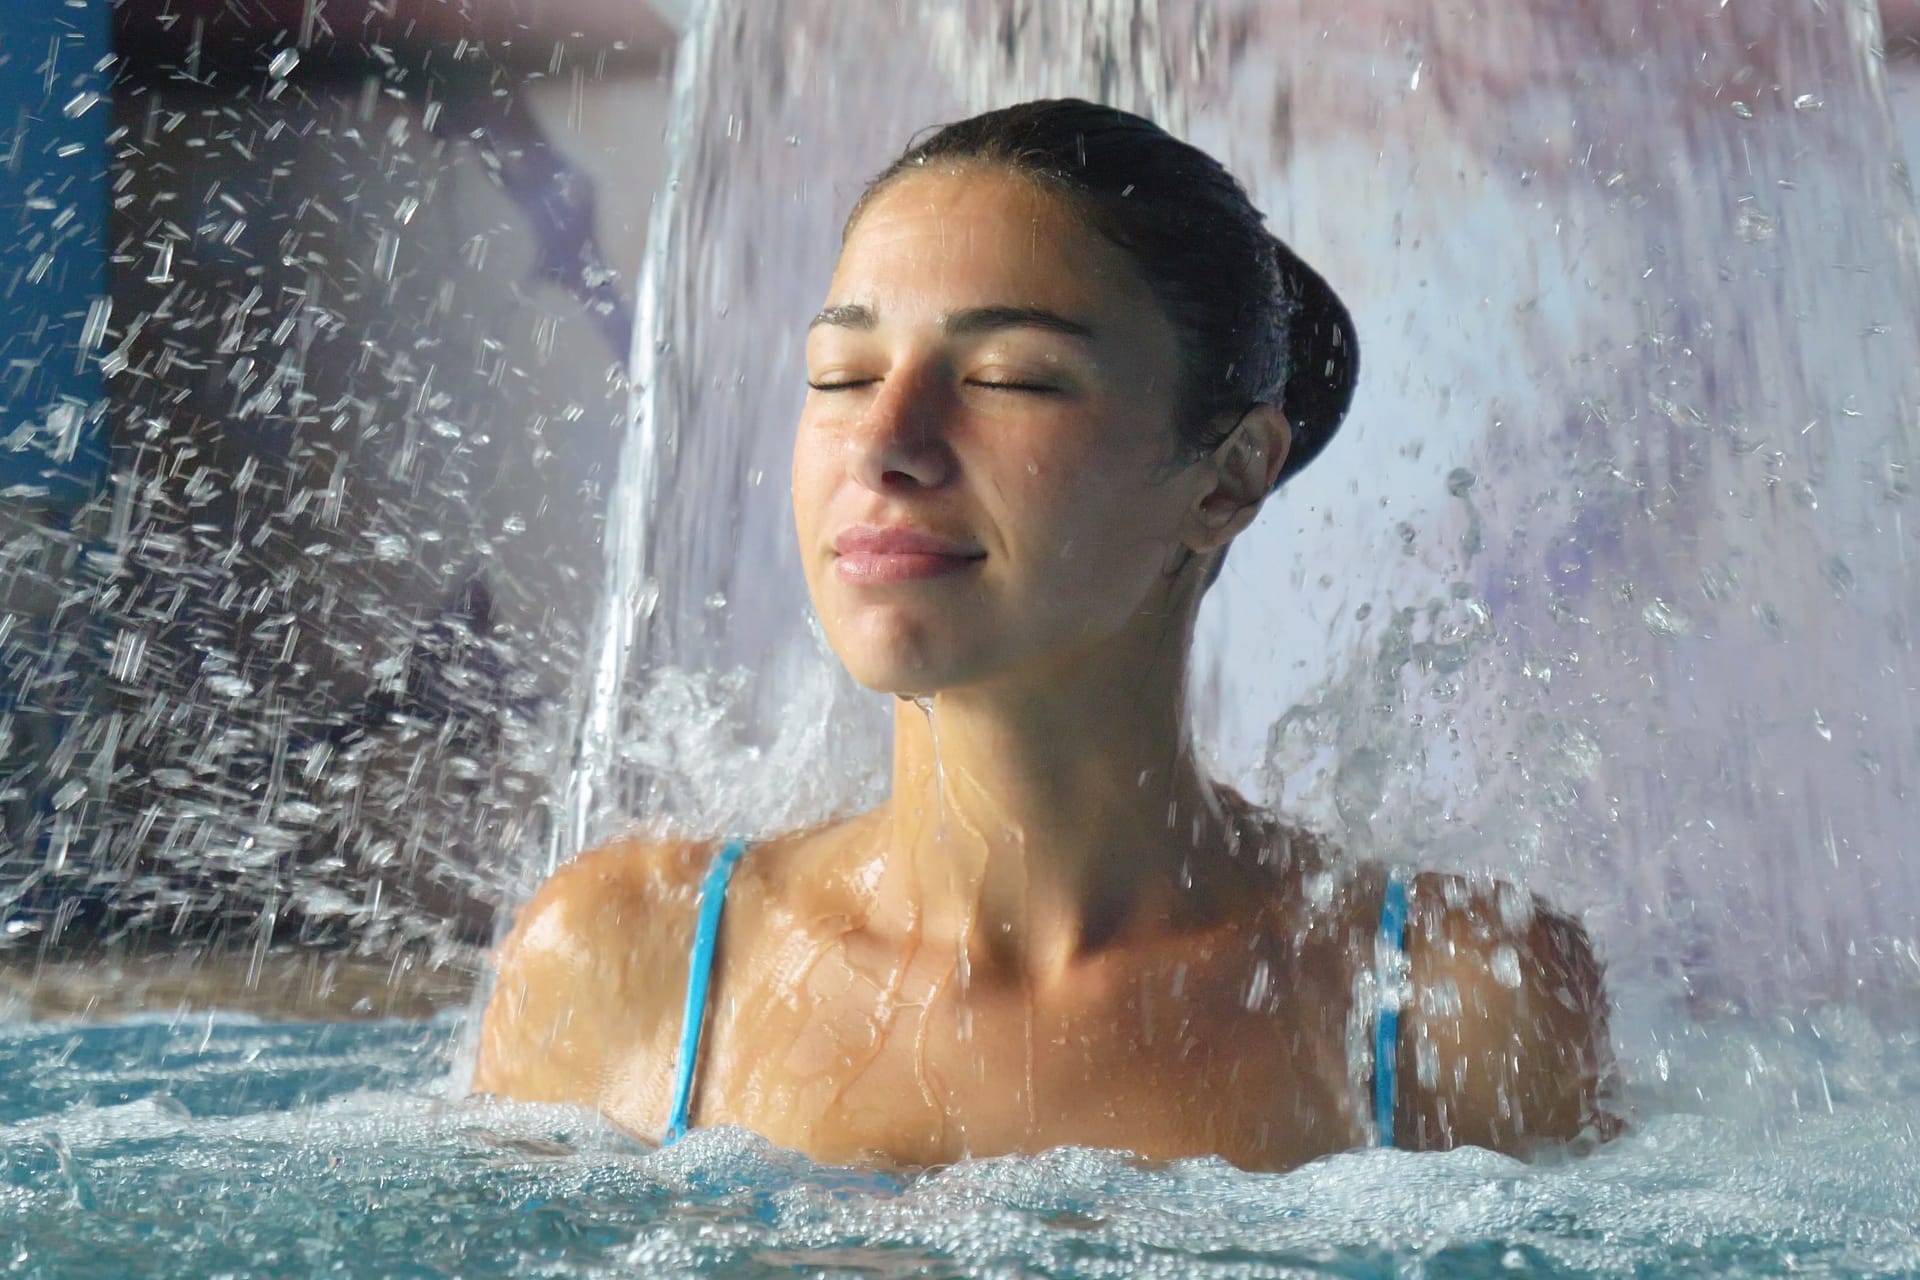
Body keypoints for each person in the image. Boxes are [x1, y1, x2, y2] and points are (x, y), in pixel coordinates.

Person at [472, 98, 1615, 1172]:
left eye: (1009, 377)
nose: (885, 441)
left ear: (1228, 480)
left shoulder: (1449, 1004)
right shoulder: (632, 964)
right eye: (843, 372)